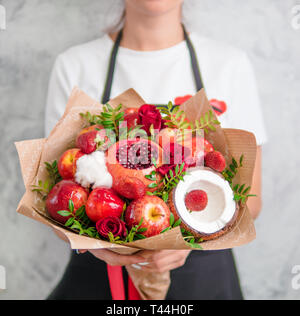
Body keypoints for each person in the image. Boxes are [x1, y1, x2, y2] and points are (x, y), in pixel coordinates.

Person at [45, 0, 267, 300]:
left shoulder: (229, 64)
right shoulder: (76, 65)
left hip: (204, 278)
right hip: (101, 280)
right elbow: (53, 198)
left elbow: (250, 201)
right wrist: (100, 244)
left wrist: (187, 241)